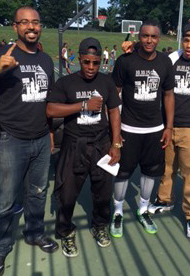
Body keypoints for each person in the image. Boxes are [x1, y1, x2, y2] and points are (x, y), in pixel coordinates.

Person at [46, 37, 121, 257]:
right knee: (67, 194)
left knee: (103, 192)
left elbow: (115, 112)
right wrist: (83, 105)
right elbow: (50, 110)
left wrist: (116, 143)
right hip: (74, 144)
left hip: (101, 143)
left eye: (95, 63)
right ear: (79, 58)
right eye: (86, 61)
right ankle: (66, 231)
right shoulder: (66, 83)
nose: (90, 67)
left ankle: (99, 226)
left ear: (100, 61)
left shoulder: (106, 82)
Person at [0, 6, 58, 275]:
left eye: (35, 22)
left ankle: (34, 233)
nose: (31, 27)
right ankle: (1, 247)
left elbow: (46, 102)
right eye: (24, 23)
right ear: (15, 27)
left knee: (37, 193)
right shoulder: (4, 55)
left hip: (39, 138)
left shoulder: (46, 60)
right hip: (11, 138)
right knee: (6, 199)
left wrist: (48, 133)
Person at [148, 23, 190, 239]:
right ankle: (165, 200)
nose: (189, 44)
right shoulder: (170, 62)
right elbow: (149, 60)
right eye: (186, 40)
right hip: (168, 125)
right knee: (167, 168)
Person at [110, 19, 175, 238]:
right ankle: (118, 212)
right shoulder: (125, 61)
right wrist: (115, 130)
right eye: (145, 36)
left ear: (159, 38)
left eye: (153, 36)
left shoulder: (165, 62)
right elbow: (114, 95)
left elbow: (168, 95)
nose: (149, 40)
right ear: (138, 36)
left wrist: (169, 126)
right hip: (129, 128)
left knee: (150, 172)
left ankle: (143, 209)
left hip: (155, 129)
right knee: (123, 172)